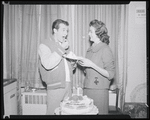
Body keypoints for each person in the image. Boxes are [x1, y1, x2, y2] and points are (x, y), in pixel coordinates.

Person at [38, 19, 76, 115]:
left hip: (68, 85)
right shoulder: (44, 44)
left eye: (67, 30)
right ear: (55, 30)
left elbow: (64, 66)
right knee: (52, 113)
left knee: (67, 112)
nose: (66, 33)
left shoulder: (63, 45)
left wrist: (72, 65)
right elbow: (47, 64)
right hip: (55, 87)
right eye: (63, 30)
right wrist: (62, 48)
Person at [77, 19, 115, 114]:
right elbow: (88, 71)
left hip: (99, 92)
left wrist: (91, 65)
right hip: (87, 90)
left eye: (91, 31)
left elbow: (110, 74)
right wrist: (81, 63)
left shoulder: (105, 49)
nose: (89, 34)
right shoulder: (90, 50)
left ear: (99, 33)